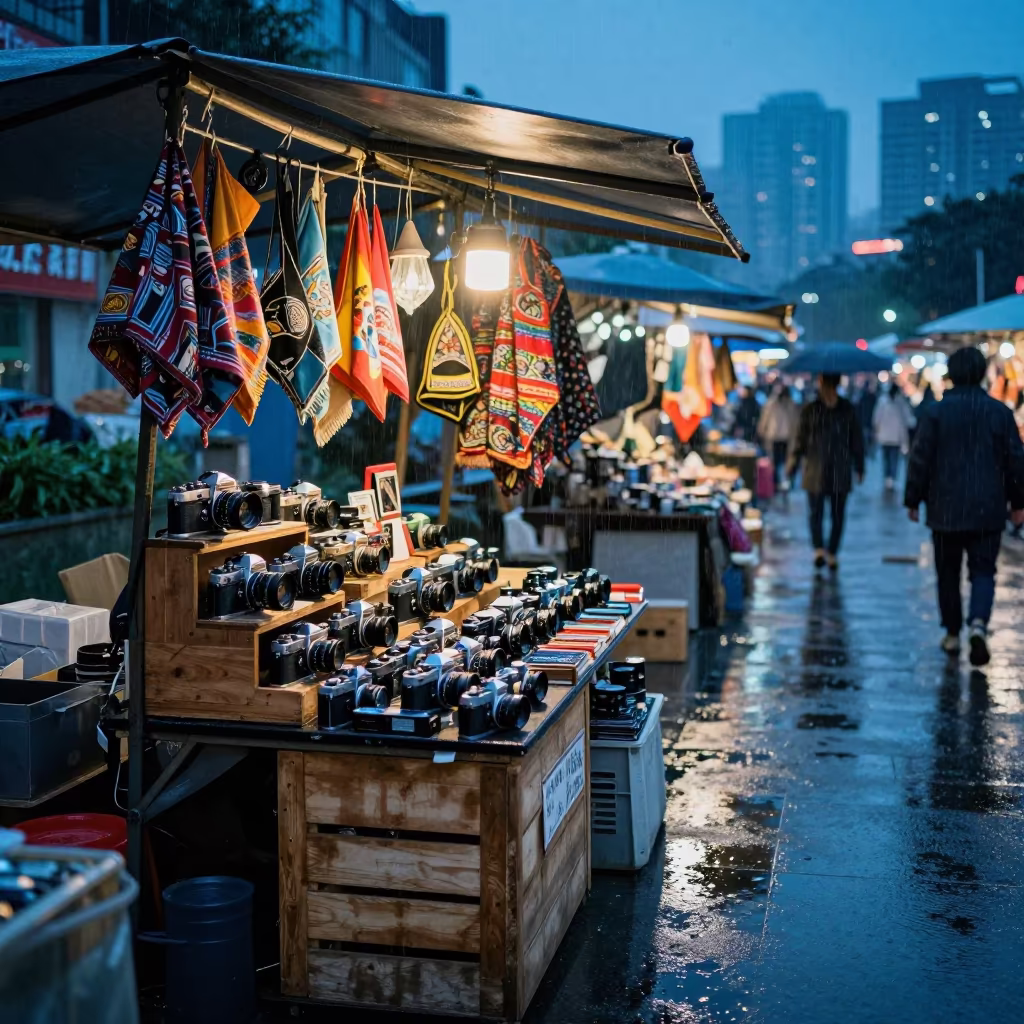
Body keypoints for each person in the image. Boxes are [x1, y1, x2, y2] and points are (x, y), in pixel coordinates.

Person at [904, 346, 1024, 666]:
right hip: (988, 507)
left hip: (945, 509)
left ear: (952, 376)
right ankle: (979, 624)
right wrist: (1018, 502)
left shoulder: (936, 413)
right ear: (983, 373)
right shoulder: (999, 413)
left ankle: (952, 633)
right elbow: (1016, 461)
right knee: (984, 571)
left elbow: (920, 459)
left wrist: (912, 499)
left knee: (948, 572)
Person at [787, 373, 864, 571]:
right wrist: (793, 464)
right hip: (816, 470)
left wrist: (860, 465)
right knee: (816, 513)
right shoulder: (811, 410)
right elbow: (800, 440)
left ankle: (831, 551)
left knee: (837, 515)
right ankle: (820, 549)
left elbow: (856, 440)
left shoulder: (846, 409)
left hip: (839, 470)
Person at [872, 382, 915, 489]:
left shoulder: (883, 402)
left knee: (888, 458)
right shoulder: (899, 403)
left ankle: (888, 478)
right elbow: (909, 419)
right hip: (894, 437)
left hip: (886, 436)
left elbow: (876, 419)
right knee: (892, 458)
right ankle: (891, 478)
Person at [757, 382, 798, 487]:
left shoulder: (789, 404)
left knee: (781, 461)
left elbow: (795, 422)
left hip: (782, 438)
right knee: (777, 462)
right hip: (777, 437)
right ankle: (777, 482)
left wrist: (761, 431)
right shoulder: (773, 404)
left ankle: (780, 482)